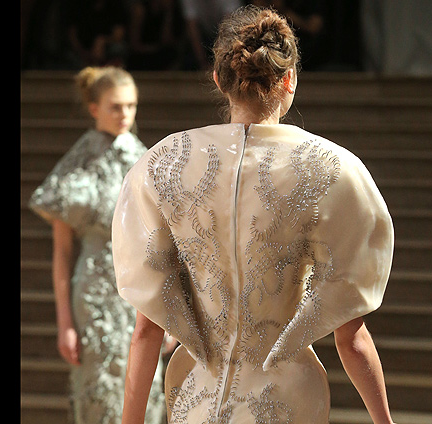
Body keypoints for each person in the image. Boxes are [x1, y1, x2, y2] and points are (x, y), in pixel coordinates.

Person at [112, 5, 396, 424]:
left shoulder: (163, 163)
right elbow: (351, 338)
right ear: (289, 79)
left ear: (217, 79)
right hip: (285, 401)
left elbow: (146, 331)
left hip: (199, 399)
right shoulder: (332, 169)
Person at [29, 66, 167, 424]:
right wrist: (65, 323)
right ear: (94, 109)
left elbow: (164, 247)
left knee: (146, 390)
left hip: (138, 291)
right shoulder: (76, 166)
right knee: (97, 391)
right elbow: (62, 252)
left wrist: (170, 315)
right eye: (116, 106)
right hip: (93, 295)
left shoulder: (147, 161)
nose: (125, 114)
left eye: (131, 106)